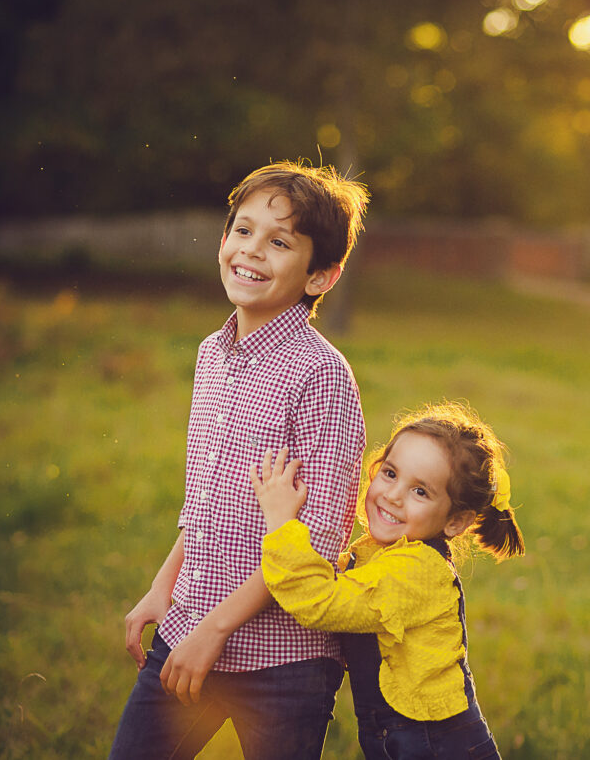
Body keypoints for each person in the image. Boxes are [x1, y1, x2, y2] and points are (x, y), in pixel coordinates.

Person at [109, 160, 369, 760]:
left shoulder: (321, 376)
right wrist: (163, 585)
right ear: (223, 240)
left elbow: (319, 541)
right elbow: (208, 500)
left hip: (282, 666)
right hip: (186, 634)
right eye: (243, 230)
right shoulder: (212, 353)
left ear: (321, 276)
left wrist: (216, 630)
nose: (251, 251)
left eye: (279, 242)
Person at [251, 402, 525, 760]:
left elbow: (321, 602)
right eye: (391, 473)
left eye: (420, 491)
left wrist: (282, 523)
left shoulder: (417, 569)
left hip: (436, 744)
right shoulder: (379, 554)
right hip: (404, 737)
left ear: (455, 521)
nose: (393, 495)